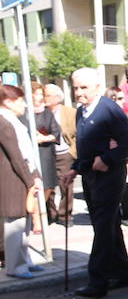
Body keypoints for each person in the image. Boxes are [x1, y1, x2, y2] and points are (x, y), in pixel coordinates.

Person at [59, 69, 128, 299]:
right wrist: (74, 169)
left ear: (97, 87)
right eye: (76, 88)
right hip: (91, 175)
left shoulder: (109, 110)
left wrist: (107, 158)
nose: (79, 92)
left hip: (109, 175)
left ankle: (97, 281)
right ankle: (123, 273)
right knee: (108, 225)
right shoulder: (81, 111)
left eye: (84, 88)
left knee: (102, 227)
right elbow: (86, 146)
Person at [0, 85, 42, 279]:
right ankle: (15, 267)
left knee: (24, 222)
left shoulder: (12, 121)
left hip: (21, 177)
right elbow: (16, 156)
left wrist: (34, 176)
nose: (25, 104)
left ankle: (25, 261)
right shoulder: (4, 123)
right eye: (20, 100)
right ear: (8, 102)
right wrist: (30, 180)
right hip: (12, 179)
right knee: (15, 224)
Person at [43, 84, 77, 226]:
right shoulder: (41, 112)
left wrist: (72, 152)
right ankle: (51, 213)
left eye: (47, 95)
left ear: (57, 97)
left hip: (65, 154)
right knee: (48, 185)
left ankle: (65, 215)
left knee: (66, 186)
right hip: (47, 153)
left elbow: (78, 135)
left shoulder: (70, 112)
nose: (45, 98)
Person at [27, 82, 61, 223]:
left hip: (46, 153)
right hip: (31, 153)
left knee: (48, 185)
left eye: (42, 94)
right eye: (37, 93)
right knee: (34, 185)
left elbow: (56, 132)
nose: (40, 97)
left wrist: (44, 138)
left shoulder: (47, 113)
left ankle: (40, 212)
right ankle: (34, 217)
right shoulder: (25, 112)